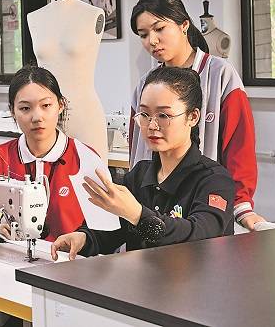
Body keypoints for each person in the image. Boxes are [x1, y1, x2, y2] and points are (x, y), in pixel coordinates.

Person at [51, 66, 235, 260]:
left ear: (193, 117)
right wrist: (84, 238)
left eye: (163, 116)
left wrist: (137, 214)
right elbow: (113, 230)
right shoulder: (140, 175)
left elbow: (200, 237)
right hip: (141, 278)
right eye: (145, 115)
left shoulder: (214, 180)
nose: (152, 126)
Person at [128, 0, 265, 230]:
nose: (152, 41)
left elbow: (239, 144)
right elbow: (137, 145)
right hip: (152, 200)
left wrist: (241, 204)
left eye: (159, 29)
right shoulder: (146, 84)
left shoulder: (220, 75)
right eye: (144, 35)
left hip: (204, 200)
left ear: (184, 25)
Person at [0, 65, 104, 241]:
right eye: (25, 108)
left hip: (71, 257)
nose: (37, 117)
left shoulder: (85, 158)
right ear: (12, 111)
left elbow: (104, 229)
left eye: (46, 105)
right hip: (10, 254)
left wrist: (82, 239)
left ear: (61, 105)